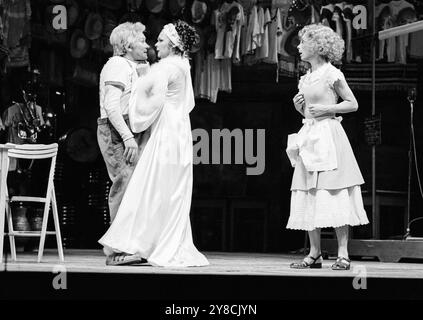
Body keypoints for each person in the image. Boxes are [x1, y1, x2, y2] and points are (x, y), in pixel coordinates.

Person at [99, 21, 209, 267]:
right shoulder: (182, 65)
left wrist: (139, 83)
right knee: (166, 188)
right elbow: (186, 103)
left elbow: (150, 102)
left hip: (166, 131)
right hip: (178, 128)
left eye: (159, 40)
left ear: (172, 45)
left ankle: (130, 244)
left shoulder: (166, 67)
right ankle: (147, 242)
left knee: (149, 187)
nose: (153, 45)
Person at [285, 24, 369, 271]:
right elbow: (309, 111)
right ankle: (315, 253)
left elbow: (352, 103)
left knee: (333, 193)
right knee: (310, 193)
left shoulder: (332, 73)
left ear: (318, 46)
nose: (298, 47)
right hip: (310, 136)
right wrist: (298, 107)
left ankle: (343, 253)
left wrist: (327, 109)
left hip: (330, 138)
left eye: (303, 42)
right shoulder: (306, 77)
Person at [97, 22, 150, 265]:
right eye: (142, 40)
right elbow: (112, 106)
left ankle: (130, 245)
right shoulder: (117, 65)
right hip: (118, 130)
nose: (147, 45)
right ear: (127, 45)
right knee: (123, 183)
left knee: (134, 188)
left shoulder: (135, 66)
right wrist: (127, 136)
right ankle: (116, 251)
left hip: (130, 129)